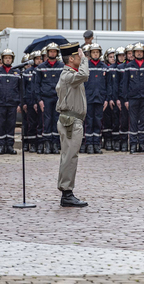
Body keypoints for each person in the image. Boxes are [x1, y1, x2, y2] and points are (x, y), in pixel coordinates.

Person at [56, 43, 89, 207]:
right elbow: (84, 74)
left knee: (69, 157)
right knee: (70, 158)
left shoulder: (71, 75)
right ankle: (67, 194)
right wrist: (84, 60)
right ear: (71, 58)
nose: (81, 58)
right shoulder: (68, 75)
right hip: (71, 122)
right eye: (78, 56)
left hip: (73, 120)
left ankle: (66, 192)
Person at [123, 43, 144, 153]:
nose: (139, 53)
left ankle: (142, 144)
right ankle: (133, 145)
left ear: (143, 53)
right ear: (133, 53)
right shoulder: (129, 66)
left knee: (143, 121)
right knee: (133, 122)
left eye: (141, 51)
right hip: (133, 98)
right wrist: (126, 100)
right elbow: (125, 84)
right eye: (137, 51)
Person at [0, 49, 22, 155]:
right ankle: (0, 146)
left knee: (11, 125)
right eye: (6, 58)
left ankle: (9, 146)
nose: (8, 60)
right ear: (2, 59)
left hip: (13, 104)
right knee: (1, 126)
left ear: (12, 59)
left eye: (10, 58)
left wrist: (20, 104)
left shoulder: (17, 73)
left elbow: (21, 90)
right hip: (0, 104)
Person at [35, 43, 64, 154]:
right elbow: (36, 85)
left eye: (54, 51)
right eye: (51, 51)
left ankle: (55, 144)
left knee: (57, 121)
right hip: (45, 98)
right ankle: (47, 144)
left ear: (57, 53)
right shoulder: (41, 68)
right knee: (46, 122)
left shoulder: (61, 66)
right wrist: (39, 100)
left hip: (57, 98)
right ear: (47, 53)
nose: (52, 53)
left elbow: (65, 83)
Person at [83, 44, 107, 154]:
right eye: (93, 52)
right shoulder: (85, 66)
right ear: (90, 54)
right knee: (88, 122)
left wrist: (106, 99)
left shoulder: (104, 67)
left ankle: (97, 144)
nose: (95, 54)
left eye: (97, 52)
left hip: (100, 98)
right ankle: (89, 144)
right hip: (88, 98)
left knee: (98, 122)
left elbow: (108, 85)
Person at [23, 51, 43, 154]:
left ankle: (40, 142)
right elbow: (24, 89)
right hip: (30, 101)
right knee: (31, 124)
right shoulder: (27, 72)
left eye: (40, 58)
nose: (39, 60)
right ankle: (32, 144)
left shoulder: (43, 70)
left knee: (41, 123)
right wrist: (24, 102)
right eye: (37, 59)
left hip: (40, 102)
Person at [102, 47, 118, 150]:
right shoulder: (104, 68)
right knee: (105, 120)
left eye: (113, 57)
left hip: (115, 97)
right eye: (110, 57)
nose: (112, 58)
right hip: (106, 97)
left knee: (115, 119)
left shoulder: (117, 68)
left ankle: (114, 139)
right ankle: (106, 139)